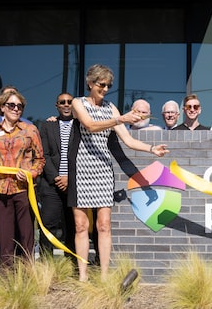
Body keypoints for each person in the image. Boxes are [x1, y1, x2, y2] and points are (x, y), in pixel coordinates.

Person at [69, 64, 169, 279]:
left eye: (107, 86)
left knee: (103, 225)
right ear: (90, 83)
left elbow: (128, 140)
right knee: (81, 225)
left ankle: (104, 275)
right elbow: (90, 125)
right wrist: (120, 119)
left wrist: (152, 149)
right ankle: (83, 275)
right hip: (81, 169)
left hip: (103, 170)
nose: (104, 89)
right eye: (100, 85)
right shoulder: (79, 103)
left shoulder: (111, 107)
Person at [0, 89, 44, 268]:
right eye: (11, 105)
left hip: (23, 188)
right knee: (5, 235)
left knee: (26, 234)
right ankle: (8, 278)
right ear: (2, 107)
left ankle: (28, 273)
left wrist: (31, 173)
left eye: (19, 106)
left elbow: (39, 160)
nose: (16, 109)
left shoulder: (30, 130)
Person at [38, 93, 78, 261]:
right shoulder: (47, 126)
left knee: (73, 226)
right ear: (57, 105)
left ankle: (73, 266)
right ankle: (47, 267)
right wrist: (56, 177)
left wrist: (69, 177)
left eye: (70, 102)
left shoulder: (81, 125)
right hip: (51, 185)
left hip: (74, 184)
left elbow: (82, 154)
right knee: (48, 226)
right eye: (63, 102)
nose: (67, 105)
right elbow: (43, 154)